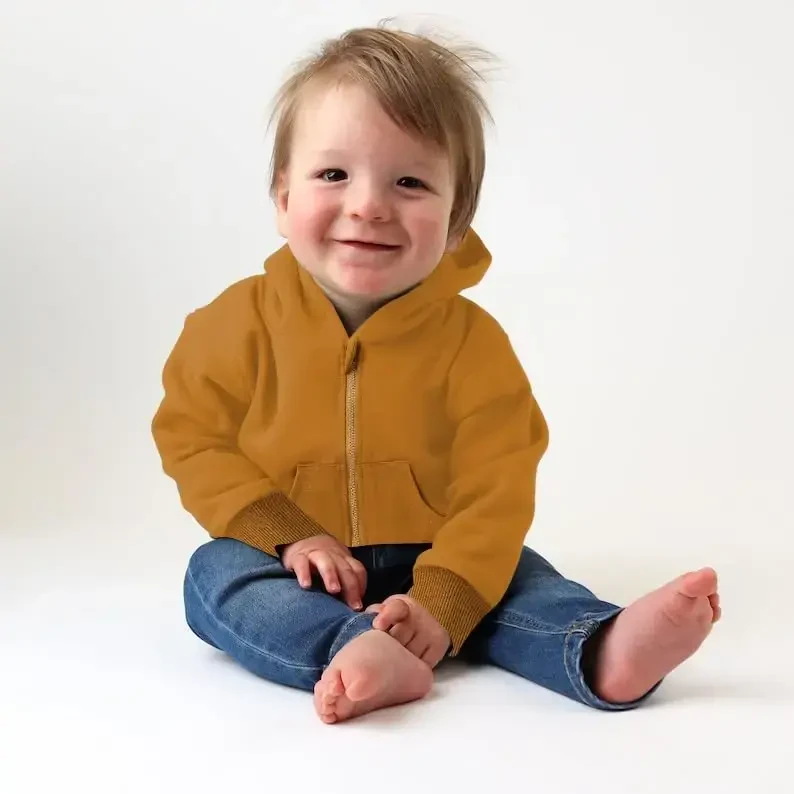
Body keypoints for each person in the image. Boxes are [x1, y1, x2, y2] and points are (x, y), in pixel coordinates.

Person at [151, 22, 721, 725]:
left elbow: (498, 484)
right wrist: (288, 532)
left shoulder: (472, 345)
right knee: (213, 577)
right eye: (333, 174)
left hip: (437, 553)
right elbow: (193, 437)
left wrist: (443, 600)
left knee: (516, 575)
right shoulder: (233, 325)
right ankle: (354, 647)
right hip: (292, 562)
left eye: (410, 182)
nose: (368, 205)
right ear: (282, 197)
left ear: (456, 223)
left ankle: (596, 646)